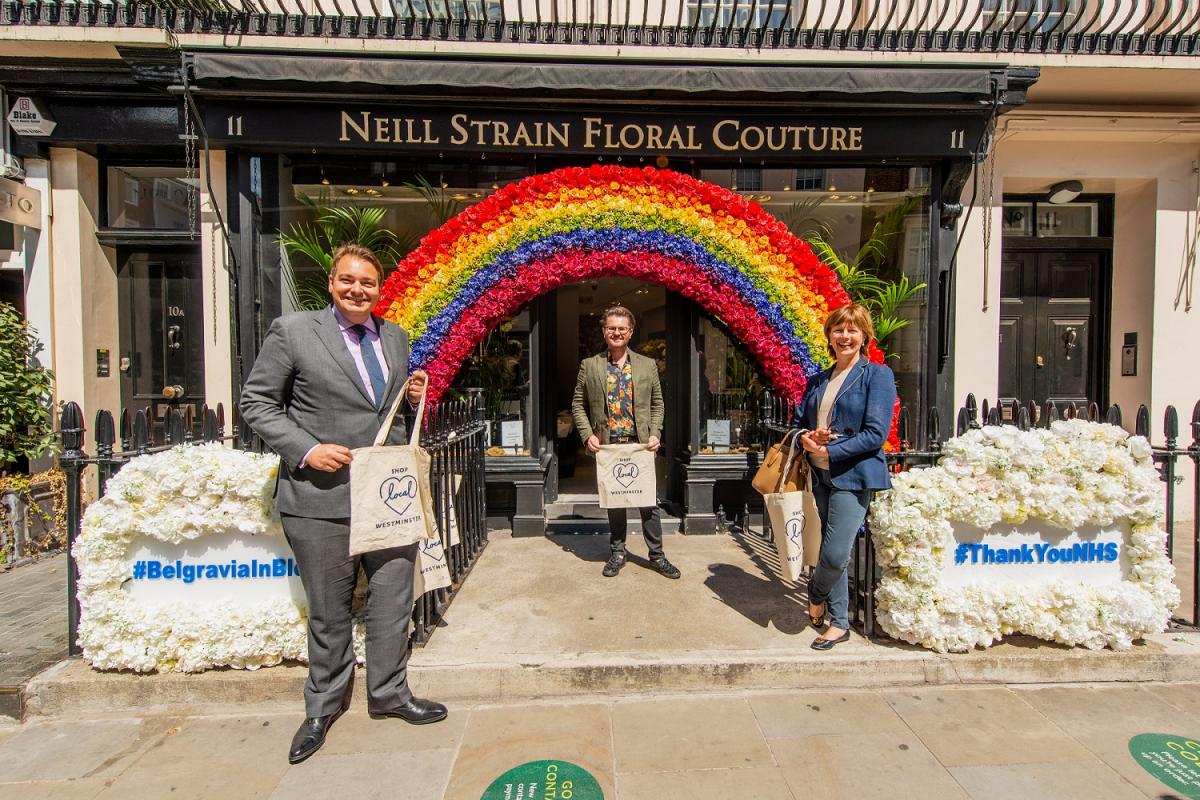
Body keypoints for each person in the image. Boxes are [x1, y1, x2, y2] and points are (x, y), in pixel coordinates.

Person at [239, 243, 447, 765]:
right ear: (332, 283)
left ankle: (389, 694)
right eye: (348, 281)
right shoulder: (293, 332)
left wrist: (413, 392)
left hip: (386, 499)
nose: (358, 290)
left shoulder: (395, 337)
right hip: (321, 499)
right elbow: (256, 402)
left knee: (393, 600)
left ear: (380, 290)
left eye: (368, 284)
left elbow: (385, 407)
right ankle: (322, 709)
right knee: (330, 613)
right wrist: (306, 449)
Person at [796, 303, 896, 650]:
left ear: (864, 336)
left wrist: (831, 451)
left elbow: (875, 433)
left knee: (836, 554)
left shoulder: (876, 375)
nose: (845, 336)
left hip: (852, 477)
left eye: (852, 330)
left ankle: (815, 593)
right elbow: (801, 424)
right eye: (838, 330)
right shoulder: (818, 380)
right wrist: (807, 437)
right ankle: (839, 623)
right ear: (829, 336)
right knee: (827, 549)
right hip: (819, 476)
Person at [572, 306, 680, 580]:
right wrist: (587, 434)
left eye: (622, 328)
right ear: (604, 331)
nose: (616, 332)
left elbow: (658, 404)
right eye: (611, 327)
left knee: (648, 504)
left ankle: (657, 556)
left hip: (640, 445)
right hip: (609, 445)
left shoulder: (647, 365)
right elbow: (578, 405)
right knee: (615, 502)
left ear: (630, 332)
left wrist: (656, 432)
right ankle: (617, 553)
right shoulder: (590, 365)